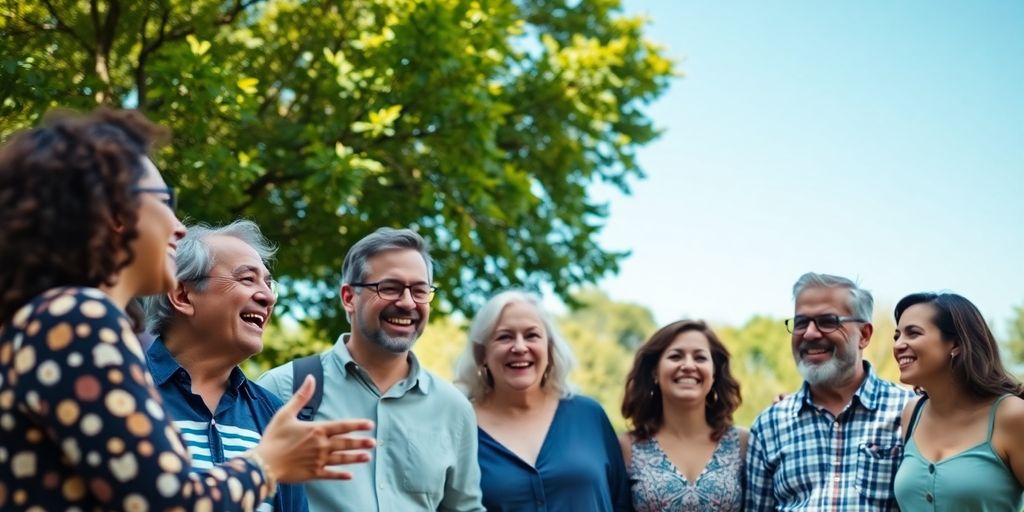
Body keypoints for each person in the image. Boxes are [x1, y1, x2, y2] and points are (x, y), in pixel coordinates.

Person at [0, 108, 374, 511]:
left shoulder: (58, 320)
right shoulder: (76, 319)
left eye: (268, 282)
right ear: (112, 213)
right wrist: (268, 464)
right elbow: (168, 502)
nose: (178, 227)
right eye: (164, 201)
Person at [258, 227, 484, 512]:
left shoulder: (454, 409)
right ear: (349, 297)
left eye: (419, 290)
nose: (407, 302)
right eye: (389, 288)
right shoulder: (283, 388)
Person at [140, 220, 310, 511]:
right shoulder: (122, 392)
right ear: (182, 295)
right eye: (247, 279)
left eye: (269, 285)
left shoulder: (273, 416)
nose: (267, 297)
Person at [745, 272, 914, 511]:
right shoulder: (769, 425)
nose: (810, 333)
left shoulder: (910, 412)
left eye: (828, 321)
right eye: (801, 322)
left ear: (864, 335)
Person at [453, 290, 632, 512]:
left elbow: (622, 502)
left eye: (532, 335)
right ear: (482, 355)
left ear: (550, 348)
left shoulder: (589, 415)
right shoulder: (459, 426)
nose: (519, 347)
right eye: (504, 337)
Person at [892, 292, 1024, 511]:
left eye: (913, 333)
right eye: (897, 336)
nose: (898, 345)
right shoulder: (912, 413)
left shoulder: (1011, 415)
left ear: (955, 343)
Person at [620, 319, 746, 511]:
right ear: (655, 371)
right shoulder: (626, 447)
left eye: (700, 358)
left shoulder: (744, 443)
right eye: (676, 356)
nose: (688, 365)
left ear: (714, 374)